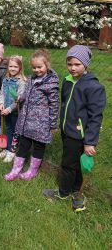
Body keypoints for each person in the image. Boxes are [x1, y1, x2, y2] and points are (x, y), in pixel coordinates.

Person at [43, 45, 106, 212]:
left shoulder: (93, 87)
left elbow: (95, 117)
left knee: (68, 164)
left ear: (85, 64)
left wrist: (90, 142)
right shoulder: (68, 81)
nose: (72, 68)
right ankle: (75, 191)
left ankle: (63, 192)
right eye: (69, 64)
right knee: (75, 164)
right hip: (67, 130)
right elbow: (65, 103)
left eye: (77, 64)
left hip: (80, 135)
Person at [5, 49, 59, 181]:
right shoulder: (31, 79)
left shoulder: (51, 84)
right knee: (23, 145)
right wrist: (20, 98)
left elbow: (54, 105)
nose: (37, 70)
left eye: (40, 67)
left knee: (39, 147)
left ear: (47, 65)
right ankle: (15, 170)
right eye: (34, 67)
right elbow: (26, 94)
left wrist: (52, 124)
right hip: (26, 121)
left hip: (41, 124)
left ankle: (32, 171)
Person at [0, 55, 27, 163]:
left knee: (15, 131)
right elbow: (2, 94)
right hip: (5, 110)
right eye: (10, 66)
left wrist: (9, 109)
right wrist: (1, 104)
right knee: (8, 129)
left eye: (15, 67)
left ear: (20, 68)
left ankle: (12, 151)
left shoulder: (21, 81)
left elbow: (18, 100)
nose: (12, 69)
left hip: (15, 112)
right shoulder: (6, 79)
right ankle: (6, 148)